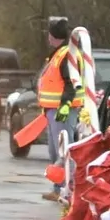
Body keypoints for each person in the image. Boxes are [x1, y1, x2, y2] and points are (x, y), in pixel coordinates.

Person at [38, 17, 84, 201]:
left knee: (64, 152)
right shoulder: (60, 53)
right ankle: (59, 188)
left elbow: (70, 82)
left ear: (53, 35)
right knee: (56, 151)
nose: (48, 37)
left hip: (62, 110)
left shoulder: (67, 54)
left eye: (49, 33)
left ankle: (69, 189)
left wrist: (65, 104)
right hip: (54, 109)